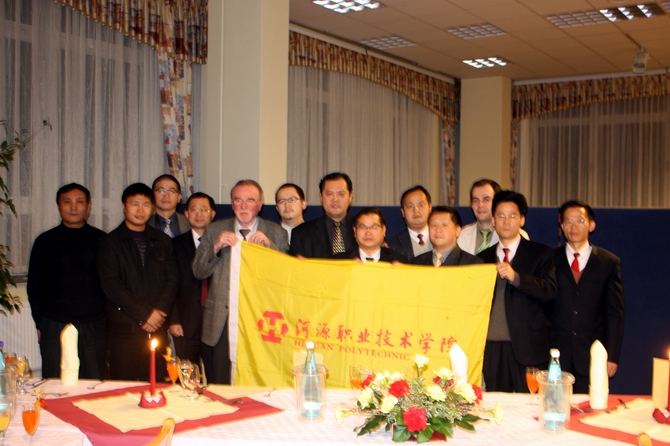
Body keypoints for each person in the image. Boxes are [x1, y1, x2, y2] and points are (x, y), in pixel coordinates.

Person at [193, 180, 289, 384]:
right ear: (232, 203)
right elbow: (198, 271)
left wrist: (270, 248)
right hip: (222, 318)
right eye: (238, 200)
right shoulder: (214, 230)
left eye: (250, 200)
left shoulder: (276, 233)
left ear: (260, 204)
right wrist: (216, 247)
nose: (244, 206)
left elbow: (286, 276)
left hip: (260, 318)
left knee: (257, 381)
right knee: (220, 383)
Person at [97, 183, 178, 381]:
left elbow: (172, 280)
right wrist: (145, 315)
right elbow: (112, 286)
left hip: (157, 328)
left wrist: (158, 313)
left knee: (156, 384)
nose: (140, 210)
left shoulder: (163, 241)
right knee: (123, 387)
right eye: (134, 204)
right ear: (124, 206)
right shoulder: (110, 242)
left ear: (152, 208)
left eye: (146, 204)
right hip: (124, 331)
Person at [478, 190, 556, 392]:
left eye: (512, 216)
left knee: (531, 403)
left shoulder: (541, 253)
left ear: (522, 220)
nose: (506, 221)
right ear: (493, 220)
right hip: (492, 345)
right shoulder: (482, 258)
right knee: (497, 404)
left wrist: (516, 277)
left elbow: (549, 291)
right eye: (501, 216)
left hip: (528, 345)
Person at [27, 183, 107, 379]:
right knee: (55, 381)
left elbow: (111, 284)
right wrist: (41, 323)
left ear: (88, 205)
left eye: (79, 201)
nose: (73, 207)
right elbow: (35, 286)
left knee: (93, 381)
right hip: (55, 323)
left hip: (94, 324)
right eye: (67, 202)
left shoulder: (102, 240)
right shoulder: (45, 241)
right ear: (59, 206)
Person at [548, 200, 625, 393]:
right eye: (568, 221)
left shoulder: (608, 262)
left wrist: (612, 356)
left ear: (591, 225)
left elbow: (615, 313)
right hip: (556, 353)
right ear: (562, 226)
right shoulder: (548, 259)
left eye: (580, 221)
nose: (573, 226)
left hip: (593, 355)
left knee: (588, 408)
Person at [169, 192, 217, 364]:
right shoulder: (174, 245)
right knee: (187, 372)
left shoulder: (223, 244)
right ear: (186, 214)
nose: (199, 214)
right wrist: (173, 319)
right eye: (194, 210)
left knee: (216, 373)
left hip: (215, 322)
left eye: (204, 209)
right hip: (185, 322)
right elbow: (169, 285)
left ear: (212, 213)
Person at [289, 172, 355, 259]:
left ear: (350, 196)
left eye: (341, 194)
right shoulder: (301, 233)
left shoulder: (364, 229)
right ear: (321, 197)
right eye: (329, 194)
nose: (335, 199)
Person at [458, 179, 528, 255]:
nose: (480, 205)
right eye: (475, 200)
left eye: (486, 199)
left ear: (497, 203)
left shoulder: (517, 235)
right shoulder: (461, 235)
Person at [411, 206, 482, 266]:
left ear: (457, 230)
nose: (438, 229)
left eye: (444, 225)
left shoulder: (472, 264)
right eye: (434, 225)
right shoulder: (416, 263)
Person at [333, 207, 407, 263]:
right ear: (355, 231)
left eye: (374, 227)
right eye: (363, 227)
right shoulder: (340, 262)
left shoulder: (399, 262)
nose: (368, 232)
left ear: (384, 230)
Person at [386, 185, 433, 261]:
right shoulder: (391, 244)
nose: (416, 210)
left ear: (430, 207)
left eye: (421, 205)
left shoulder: (443, 238)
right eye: (410, 206)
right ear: (403, 212)